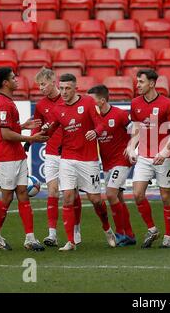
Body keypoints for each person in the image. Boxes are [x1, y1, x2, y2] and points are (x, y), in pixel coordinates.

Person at [44, 73, 116, 251]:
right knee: (67, 197)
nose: (64, 92)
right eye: (61, 88)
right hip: (67, 158)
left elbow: (101, 124)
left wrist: (96, 132)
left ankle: (107, 229)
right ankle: (71, 241)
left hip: (88, 160)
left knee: (95, 200)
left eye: (68, 88)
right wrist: (41, 131)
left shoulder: (88, 103)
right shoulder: (57, 108)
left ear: (76, 88)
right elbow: (51, 129)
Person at [0, 67, 48, 251]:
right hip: (5, 156)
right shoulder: (3, 104)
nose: (17, 80)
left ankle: (30, 238)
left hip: (16, 154)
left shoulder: (6, 101)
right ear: (5, 83)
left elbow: (8, 129)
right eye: (13, 78)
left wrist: (22, 126)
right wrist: (31, 138)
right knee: (7, 197)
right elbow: (5, 134)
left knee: (22, 193)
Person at [126, 69, 170, 249]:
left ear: (152, 83)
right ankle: (152, 229)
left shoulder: (167, 104)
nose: (137, 85)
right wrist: (130, 147)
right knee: (137, 194)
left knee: (166, 196)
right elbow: (136, 129)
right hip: (144, 157)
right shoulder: (135, 103)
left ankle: (168, 236)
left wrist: (164, 151)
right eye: (137, 81)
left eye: (141, 82)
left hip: (164, 158)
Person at [30, 68, 83, 247]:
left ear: (53, 81)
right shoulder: (40, 105)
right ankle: (52, 233)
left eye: (43, 84)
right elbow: (37, 128)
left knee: (72, 193)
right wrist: (29, 141)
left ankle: (76, 228)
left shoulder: (69, 99)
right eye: (39, 85)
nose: (41, 88)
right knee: (52, 191)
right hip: (52, 152)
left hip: (70, 152)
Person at [87, 85, 136, 247]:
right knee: (118, 197)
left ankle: (121, 233)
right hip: (107, 164)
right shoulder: (92, 118)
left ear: (102, 101)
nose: (88, 104)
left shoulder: (120, 114)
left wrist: (131, 148)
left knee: (110, 194)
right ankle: (129, 234)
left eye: (91, 101)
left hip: (121, 161)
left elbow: (136, 131)